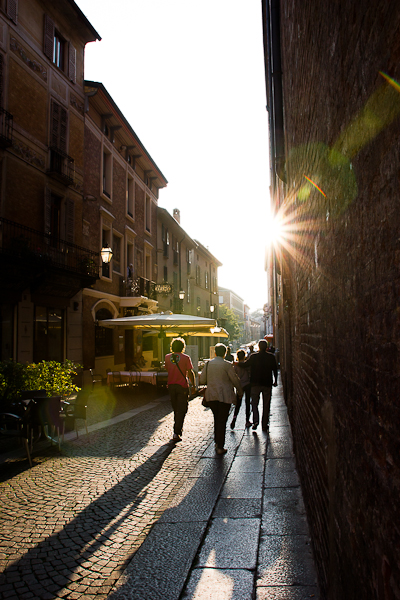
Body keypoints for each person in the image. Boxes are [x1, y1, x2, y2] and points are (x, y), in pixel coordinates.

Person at [199, 343, 243, 455]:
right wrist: (240, 391)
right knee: (222, 420)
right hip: (224, 395)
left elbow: (202, 380)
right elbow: (234, 379)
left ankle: (217, 442)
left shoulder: (208, 364)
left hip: (212, 395)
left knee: (216, 418)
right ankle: (220, 446)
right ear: (225, 353)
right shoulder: (227, 365)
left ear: (215, 353)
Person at [165, 337, 196, 442]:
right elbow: (190, 372)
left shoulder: (167, 357)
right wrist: (194, 385)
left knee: (175, 408)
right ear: (183, 347)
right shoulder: (186, 358)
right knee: (182, 409)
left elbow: (168, 369)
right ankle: (177, 432)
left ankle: (176, 430)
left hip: (171, 386)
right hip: (182, 386)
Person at [242, 339, 278, 431]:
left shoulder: (254, 357)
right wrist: (275, 380)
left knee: (254, 403)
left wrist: (236, 363)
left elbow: (245, 365)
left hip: (255, 383)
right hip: (267, 383)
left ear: (258, 346)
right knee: (266, 404)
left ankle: (255, 421)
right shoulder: (271, 357)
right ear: (266, 347)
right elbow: (275, 369)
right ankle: (265, 424)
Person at [230, 349, 252, 429]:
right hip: (247, 385)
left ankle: (234, 418)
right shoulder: (246, 364)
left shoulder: (235, 365)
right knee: (247, 403)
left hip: (239, 385)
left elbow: (234, 376)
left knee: (238, 404)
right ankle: (247, 420)